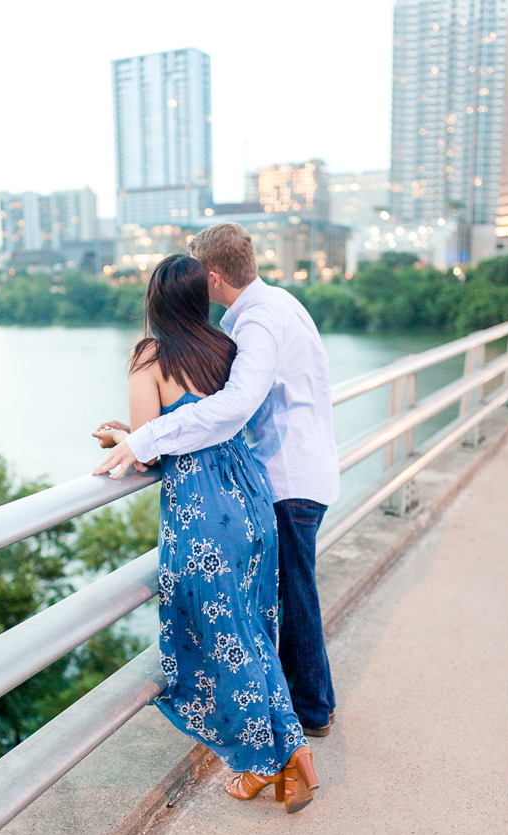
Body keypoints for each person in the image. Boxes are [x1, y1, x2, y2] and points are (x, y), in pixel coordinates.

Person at [96, 223, 339, 741]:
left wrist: (142, 441)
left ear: (211, 276)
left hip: (284, 476)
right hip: (280, 475)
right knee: (272, 607)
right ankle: (302, 714)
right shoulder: (269, 307)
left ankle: (306, 718)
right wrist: (143, 436)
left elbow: (232, 409)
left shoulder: (254, 327)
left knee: (286, 604)